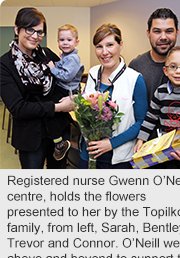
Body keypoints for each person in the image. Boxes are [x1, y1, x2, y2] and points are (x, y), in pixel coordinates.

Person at [129, 8, 180, 160]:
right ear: (148, 33)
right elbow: (142, 114)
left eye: (169, 31)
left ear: (177, 32)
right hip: (150, 152)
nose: (163, 37)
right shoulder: (136, 66)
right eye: (157, 31)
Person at [0, 7, 74, 169]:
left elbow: (65, 80)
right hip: (31, 137)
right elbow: (18, 108)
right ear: (17, 29)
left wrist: (72, 95)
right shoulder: (4, 65)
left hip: (59, 130)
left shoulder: (46, 54)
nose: (35, 36)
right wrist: (58, 106)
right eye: (29, 29)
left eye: (40, 32)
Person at [79, 23, 148, 169]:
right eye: (99, 46)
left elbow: (142, 122)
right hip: (88, 154)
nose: (104, 52)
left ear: (120, 45)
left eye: (110, 45)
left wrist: (111, 143)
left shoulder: (134, 79)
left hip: (117, 159)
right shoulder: (92, 73)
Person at [134, 46, 180, 169]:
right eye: (173, 66)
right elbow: (151, 117)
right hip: (166, 151)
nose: (178, 71)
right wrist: (141, 140)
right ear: (165, 71)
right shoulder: (160, 92)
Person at [46, 24, 84, 161]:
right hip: (63, 88)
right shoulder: (66, 56)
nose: (65, 43)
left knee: (48, 112)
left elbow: (66, 76)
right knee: (53, 112)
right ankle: (65, 124)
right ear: (58, 42)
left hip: (65, 89)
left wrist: (52, 68)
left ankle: (59, 143)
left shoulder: (73, 58)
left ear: (76, 42)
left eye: (69, 40)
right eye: (62, 40)